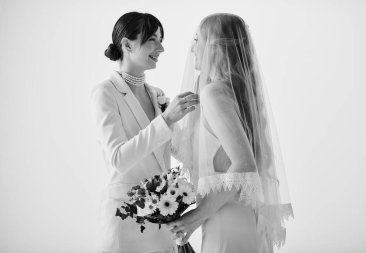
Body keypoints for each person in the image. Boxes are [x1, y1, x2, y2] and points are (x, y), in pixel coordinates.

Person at [169, 13, 293, 253]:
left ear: (214, 46)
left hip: (227, 218)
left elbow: (244, 164)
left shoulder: (213, 93)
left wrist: (195, 218)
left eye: (197, 39)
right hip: (240, 214)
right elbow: (217, 160)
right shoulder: (237, 92)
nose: (192, 47)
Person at [91, 12, 199, 253]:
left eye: (161, 40)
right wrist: (166, 119)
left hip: (161, 219)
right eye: (152, 39)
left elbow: (176, 149)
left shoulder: (155, 94)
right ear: (127, 44)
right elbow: (118, 159)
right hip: (126, 218)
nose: (160, 48)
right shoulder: (105, 93)